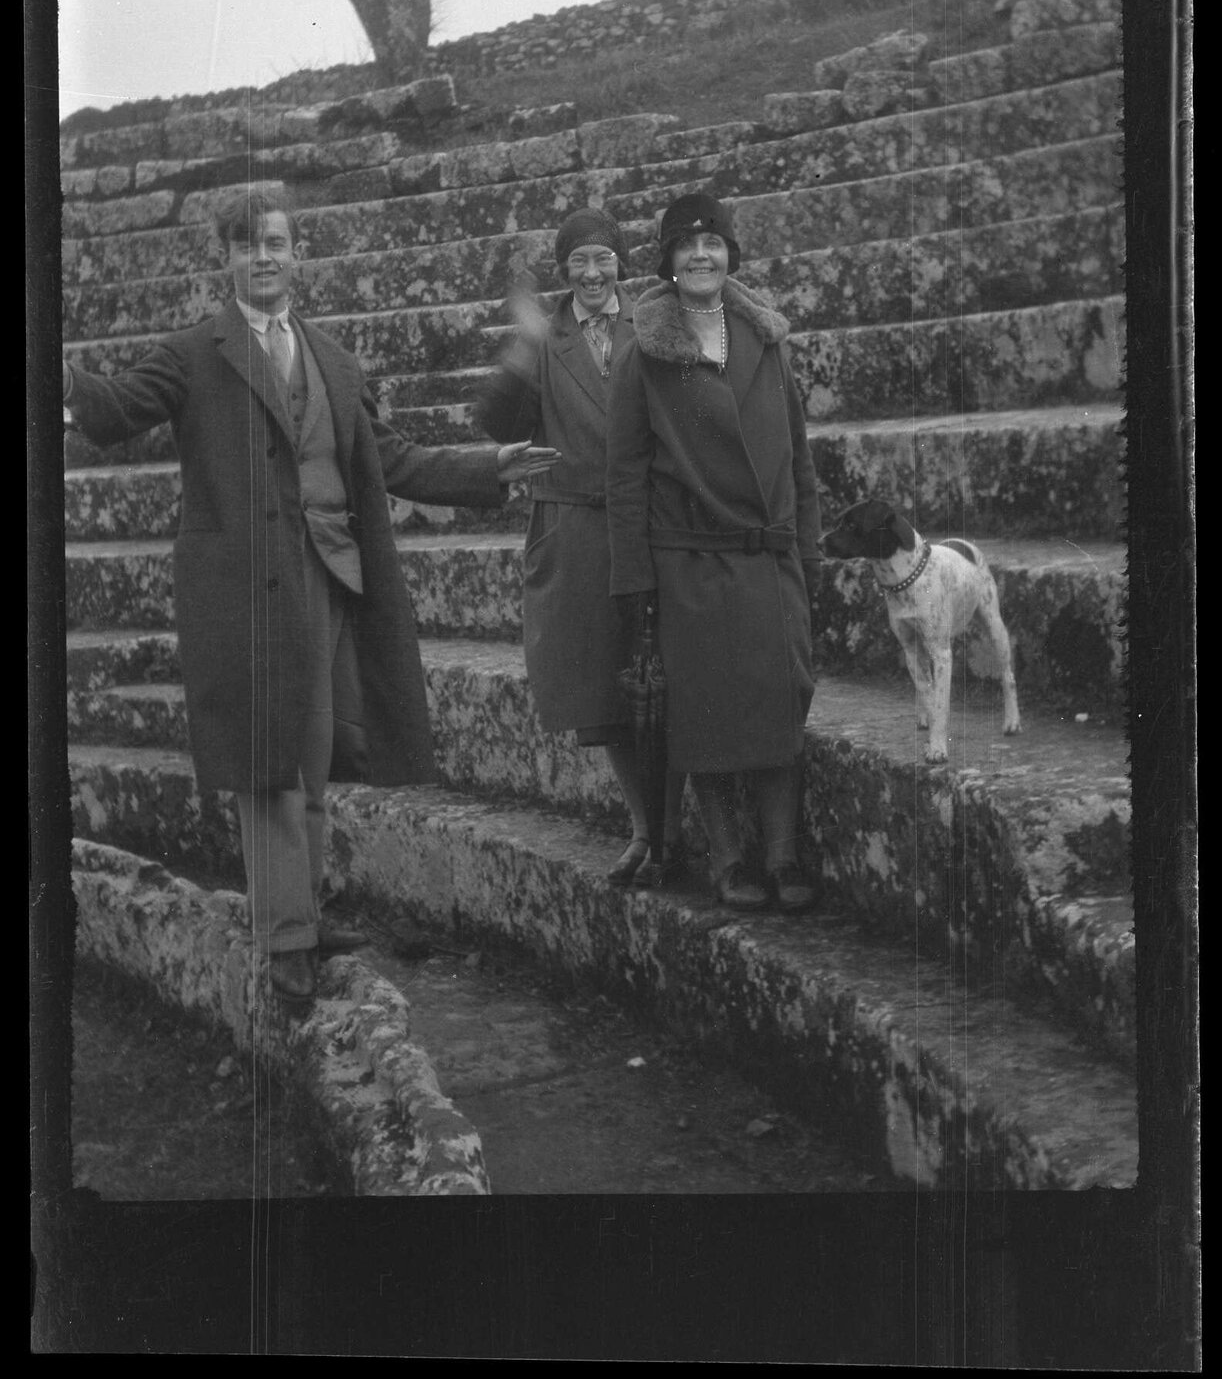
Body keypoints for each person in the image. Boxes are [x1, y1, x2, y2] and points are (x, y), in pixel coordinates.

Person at [62, 183, 559, 1007]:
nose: (265, 256)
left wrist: (489, 465)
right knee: (272, 766)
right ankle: (284, 937)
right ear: (226, 258)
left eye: (278, 243)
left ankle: (303, 913)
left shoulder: (334, 359)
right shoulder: (195, 353)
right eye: (249, 243)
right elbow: (116, 409)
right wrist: (64, 374)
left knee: (317, 760)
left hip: (329, 575)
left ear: (299, 256)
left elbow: (392, 459)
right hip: (246, 592)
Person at [605, 192, 822, 913]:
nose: (701, 256)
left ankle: (784, 854)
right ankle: (731, 858)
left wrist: (806, 552)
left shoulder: (765, 339)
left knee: (781, 700)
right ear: (667, 263)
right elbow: (626, 475)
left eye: (714, 244)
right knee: (701, 715)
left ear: (731, 256)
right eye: (685, 246)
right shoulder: (642, 356)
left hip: (767, 556)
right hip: (690, 563)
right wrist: (637, 584)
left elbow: (797, 454)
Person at [475, 207, 684, 885]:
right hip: (577, 531)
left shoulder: (653, 318)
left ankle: (678, 830)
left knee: (669, 678)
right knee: (603, 691)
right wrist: (522, 349)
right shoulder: (547, 334)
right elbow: (495, 423)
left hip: (648, 522)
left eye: (603, 260)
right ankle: (644, 827)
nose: (592, 274)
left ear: (621, 262)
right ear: (564, 272)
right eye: (578, 264)